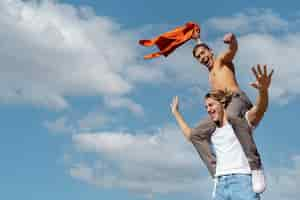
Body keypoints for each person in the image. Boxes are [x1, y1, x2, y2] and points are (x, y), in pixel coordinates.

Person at [170, 65, 273, 199]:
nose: (208, 109)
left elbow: (260, 109)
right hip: (220, 184)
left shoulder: (241, 122)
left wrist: (263, 91)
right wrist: (176, 113)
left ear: (222, 103)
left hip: (243, 181)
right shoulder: (212, 132)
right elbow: (191, 136)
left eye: (211, 105)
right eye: (206, 107)